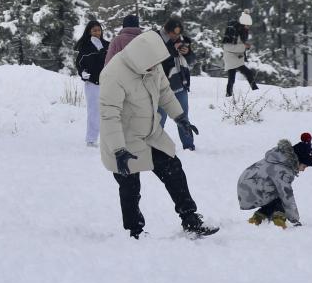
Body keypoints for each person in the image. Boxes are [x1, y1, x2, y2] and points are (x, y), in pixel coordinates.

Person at [99, 29, 217, 239]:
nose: (156, 68)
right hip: (124, 141)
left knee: (174, 168)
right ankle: (135, 232)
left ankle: (190, 218)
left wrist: (180, 117)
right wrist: (118, 150)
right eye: (152, 64)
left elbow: (164, 91)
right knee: (130, 187)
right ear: (140, 59)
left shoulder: (151, 64)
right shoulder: (113, 75)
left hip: (151, 133)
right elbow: (110, 117)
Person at [238, 133, 312, 228]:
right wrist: (295, 220)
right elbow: (287, 196)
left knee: (276, 197)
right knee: (282, 197)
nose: (303, 170)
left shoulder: (280, 158)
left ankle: (258, 218)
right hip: (250, 190)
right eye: (304, 166)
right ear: (298, 160)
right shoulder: (283, 169)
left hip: (247, 186)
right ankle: (278, 221)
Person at [157, 18, 197, 150]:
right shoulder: (156, 39)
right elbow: (157, 60)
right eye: (173, 33)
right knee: (159, 119)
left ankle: (189, 146)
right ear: (167, 30)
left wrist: (188, 53)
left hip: (180, 84)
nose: (176, 36)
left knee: (183, 117)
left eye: (178, 33)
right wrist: (172, 49)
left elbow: (191, 61)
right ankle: (155, 147)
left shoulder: (183, 41)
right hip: (161, 87)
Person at [74, 19, 108, 147]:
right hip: (92, 83)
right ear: (89, 31)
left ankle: (108, 139)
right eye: (94, 30)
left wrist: (101, 49)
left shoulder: (107, 45)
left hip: (107, 82)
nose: (97, 32)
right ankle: (91, 139)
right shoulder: (85, 47)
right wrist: (82, 73)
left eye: (99, 30)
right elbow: (79, 64)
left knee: (109, 111)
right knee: (94, 111)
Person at [223, 11, 259, 97]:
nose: (248, 27)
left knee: (233, 77)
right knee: (237, 76)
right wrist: (244, 46)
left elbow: (240, 44)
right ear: (243, 24)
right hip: (231, 57)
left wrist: (245, 46)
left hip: (237, 57)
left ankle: (228, 95)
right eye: (247, 25)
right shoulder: (232, 30)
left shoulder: (242, 31)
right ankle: (256, 91)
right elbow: (228, 47)